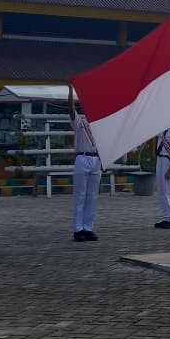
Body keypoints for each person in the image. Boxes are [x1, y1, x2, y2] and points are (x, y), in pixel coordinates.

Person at [68, 84, 100, 242]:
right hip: (82, 157)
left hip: (96, 159)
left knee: (92, 196)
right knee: (80, 196)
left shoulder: (99, 124)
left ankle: (88, 227)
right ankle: (77, 228)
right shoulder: (80, 121)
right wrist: (70, 91)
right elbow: (71, 110)